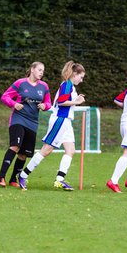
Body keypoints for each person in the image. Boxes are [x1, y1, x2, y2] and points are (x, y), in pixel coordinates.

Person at [18, 60, 86, 191]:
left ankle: (60, 180)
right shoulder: (67, 84)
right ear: (74, 74)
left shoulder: (70, 86)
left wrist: (75, 101)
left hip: (66, 122)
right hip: (60, 120)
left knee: (70, 150)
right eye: (81, 77)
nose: (81, 80)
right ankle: (23, 175)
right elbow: (61, 102)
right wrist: (76, 102)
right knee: (47, 149)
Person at [0, 62, 52, 187]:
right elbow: (5, 96)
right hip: (18, 119)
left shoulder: (44, 86)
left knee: (23, 154)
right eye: (39, 69)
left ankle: (13, 180)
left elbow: (49, 102)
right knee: (15, 146)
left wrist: (44, 106)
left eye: (43, 70)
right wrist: (14, 104)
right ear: (32, 69)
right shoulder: (20, 83)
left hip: (32, 123)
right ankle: (1, 177)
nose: (41, 72)